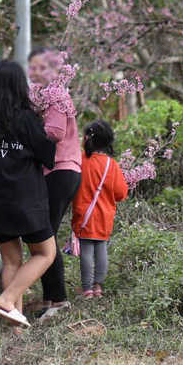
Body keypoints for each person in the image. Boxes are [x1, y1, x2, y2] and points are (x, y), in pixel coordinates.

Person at [0, 60, 57, 328]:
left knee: (11, 261)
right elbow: (48, 157)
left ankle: (16, 329)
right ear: (21, 86)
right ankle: (7, 299)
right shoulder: (27, 118)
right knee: (45, 253)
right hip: (25, 201)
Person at [28, 46, 82, 321]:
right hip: (54, 171)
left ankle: (59, 301)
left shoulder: (56, 94)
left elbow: (56, 132)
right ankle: (50, 297)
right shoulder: (40, 96)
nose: (36, 72)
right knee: (42, 233)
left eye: (42, 68)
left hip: (62, 169)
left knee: (44, 234)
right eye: (32, 67)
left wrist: (26, 130)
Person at [71, 120, 128, 298]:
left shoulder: (80, 160)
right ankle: (98, 287)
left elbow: (71, 186)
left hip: (84, 214)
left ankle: (87, 289)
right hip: (104, 216)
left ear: (87, 139)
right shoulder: (112, 165)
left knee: (86, 251)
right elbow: (121, 193)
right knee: (101, 248)